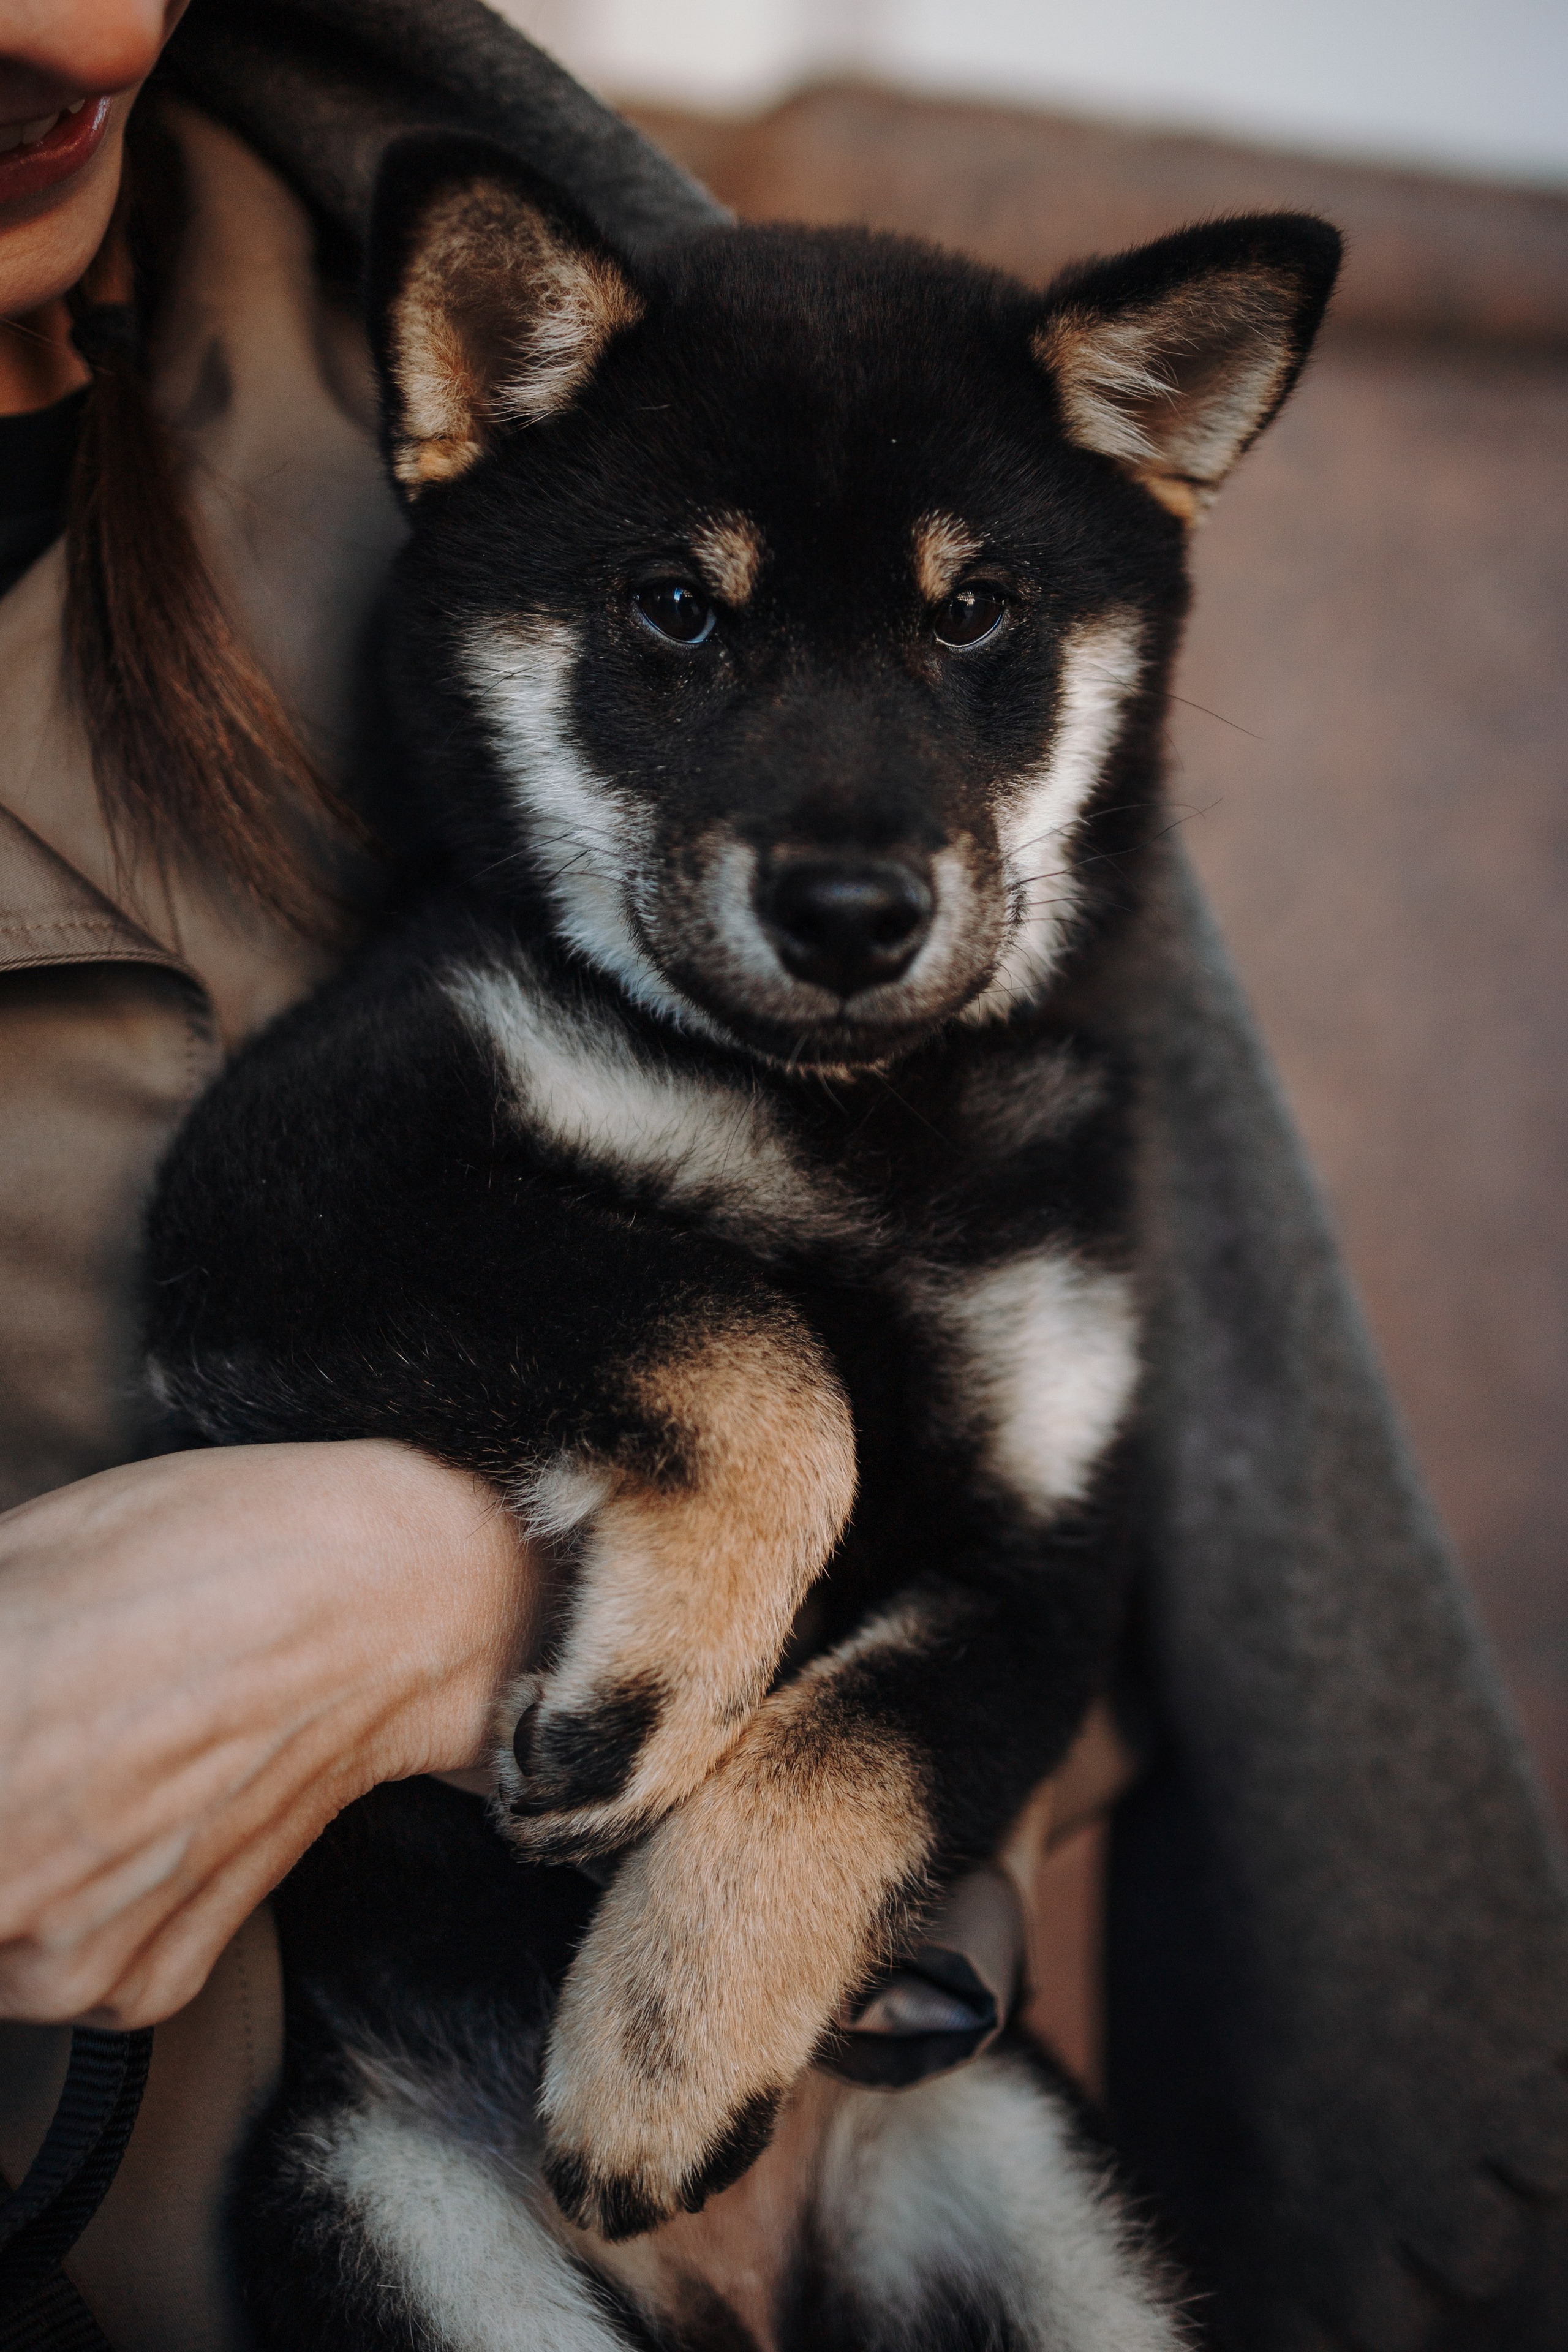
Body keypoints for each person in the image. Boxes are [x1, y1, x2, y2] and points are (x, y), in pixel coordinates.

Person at [2, 6, 1565, 2351]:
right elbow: (289, 1224)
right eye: (677, 622)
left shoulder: (389, 304)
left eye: (972, 631)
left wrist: (809, 1924)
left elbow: (1064, 1637)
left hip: (840, 2096)